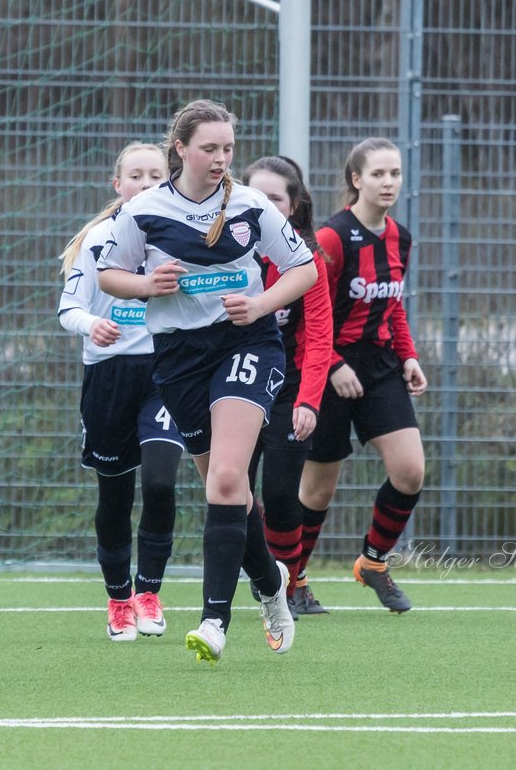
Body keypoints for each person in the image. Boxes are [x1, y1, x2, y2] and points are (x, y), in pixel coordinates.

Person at [98, 99, 317, 665]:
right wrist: (148, 285)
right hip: (178, 358)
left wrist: (260, 303)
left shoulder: (249, 206)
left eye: (228, 149)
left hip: (246, 343)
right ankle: (270, 587)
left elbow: (305, 268)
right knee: (230, 492)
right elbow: (110, 274)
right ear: (181, 149)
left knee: (225, 478)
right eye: (209, 149)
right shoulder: (143, 211)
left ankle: (214, 621)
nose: (221, 158)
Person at [58, 142, 184, 642]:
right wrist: (94, 325)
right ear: (119, 185)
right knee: (115, 493)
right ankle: (118, 600)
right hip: (110, 378)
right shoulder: (97, 241)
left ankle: (149, 593)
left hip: (167, 373)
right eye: (136, 176)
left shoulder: (181, 239)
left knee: (159, 481)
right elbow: (69, 310)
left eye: (157, 175)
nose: (146, 184)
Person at [299, 137, 428, 614]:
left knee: (410, 471)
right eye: (378, 174)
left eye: (394, 173)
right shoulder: (333, 237)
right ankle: (292, 581)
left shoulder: (401, 237)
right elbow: (310, 313)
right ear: (356, 180)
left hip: (380, 368)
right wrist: (331, 364)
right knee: (318, 489)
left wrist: (409, 356)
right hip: (328, 366)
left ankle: (373, 562)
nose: (388, 182)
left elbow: (392, 304)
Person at [241, 156, 333, 618]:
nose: (264, 207)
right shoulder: (222, 251)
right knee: (232, 488)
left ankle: (290, 584)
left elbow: (319, 338)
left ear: (294, 206)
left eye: (274, 198)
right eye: (256, 197)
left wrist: (308, 402)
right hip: (235, 383)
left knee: (279, 493)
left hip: (287, 388)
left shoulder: (306, 260)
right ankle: (265, 582)